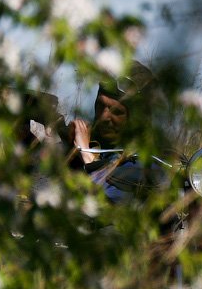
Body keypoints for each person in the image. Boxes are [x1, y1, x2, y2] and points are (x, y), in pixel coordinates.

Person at [67, 62, 167, 203]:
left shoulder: (147, 166)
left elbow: (109, 202)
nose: (104, 117)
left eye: (117, 112)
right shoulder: (88, 141)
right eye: (101, 105)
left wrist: (87, 156)